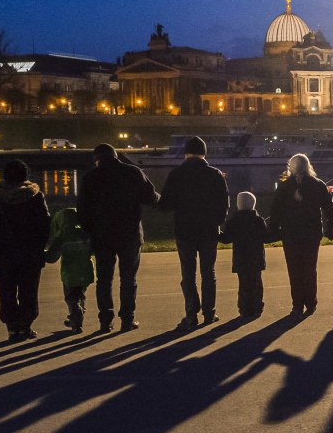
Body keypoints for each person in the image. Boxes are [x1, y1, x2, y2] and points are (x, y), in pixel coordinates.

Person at [78, 143, 159, 333]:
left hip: (102, 236)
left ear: (96, 159)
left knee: (104, 279)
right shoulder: (133, 172)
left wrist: (89, 229)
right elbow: (149, 197)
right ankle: (127, 319)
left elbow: (82, 208)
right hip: (129, 234)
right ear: (115, 156)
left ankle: (106, 320)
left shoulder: (91, 177)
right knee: (128, 279)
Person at [158, 136, 230, 330]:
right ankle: (209, 312)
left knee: (188, 272)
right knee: (209, 272)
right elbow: (224, 204)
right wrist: (217, 222)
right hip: (208, 230)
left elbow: (165, 204)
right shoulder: (215, 175)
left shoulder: (176, 174)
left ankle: (191, 313)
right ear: (204, 153)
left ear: (186, 153)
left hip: (185, 229)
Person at [0, 160, 50, 341]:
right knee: (28, 291)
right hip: (29, 252)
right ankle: (26, 326)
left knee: (6, 291)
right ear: (25, 175)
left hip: (2, 251)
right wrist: (41, 245)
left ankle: (12, 327)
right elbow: (44, 224)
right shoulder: (35, 196)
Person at [269, 154, 333, 315]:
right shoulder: (318, 185)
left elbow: (275, 211)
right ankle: (311, 302)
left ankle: (297, 304)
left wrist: (273, 229)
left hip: (290, 233)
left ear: (291, 167)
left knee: (294, 270)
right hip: (311, 233)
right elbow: (329, 208)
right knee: (309, 268)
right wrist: (331, 227)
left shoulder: (284, 187)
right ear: (308, 166)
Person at [45, 207, 95, 333]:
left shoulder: (62, 236)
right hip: (86, 271)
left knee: (71, 298)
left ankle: (76, 317)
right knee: (80, 294)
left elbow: (52, 257)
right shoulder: (85, 233)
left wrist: (43, 254)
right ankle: (77, 317)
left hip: (70, 273)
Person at [221, 191, 268, 319]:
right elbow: (265, 237)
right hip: (256, 257)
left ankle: (244, 308)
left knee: (243, 284)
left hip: (241, 258)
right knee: (256, 282)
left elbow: (226, 239)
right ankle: (257, 306)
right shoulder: (258, 220)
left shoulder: (233, 222)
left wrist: (217, 234)